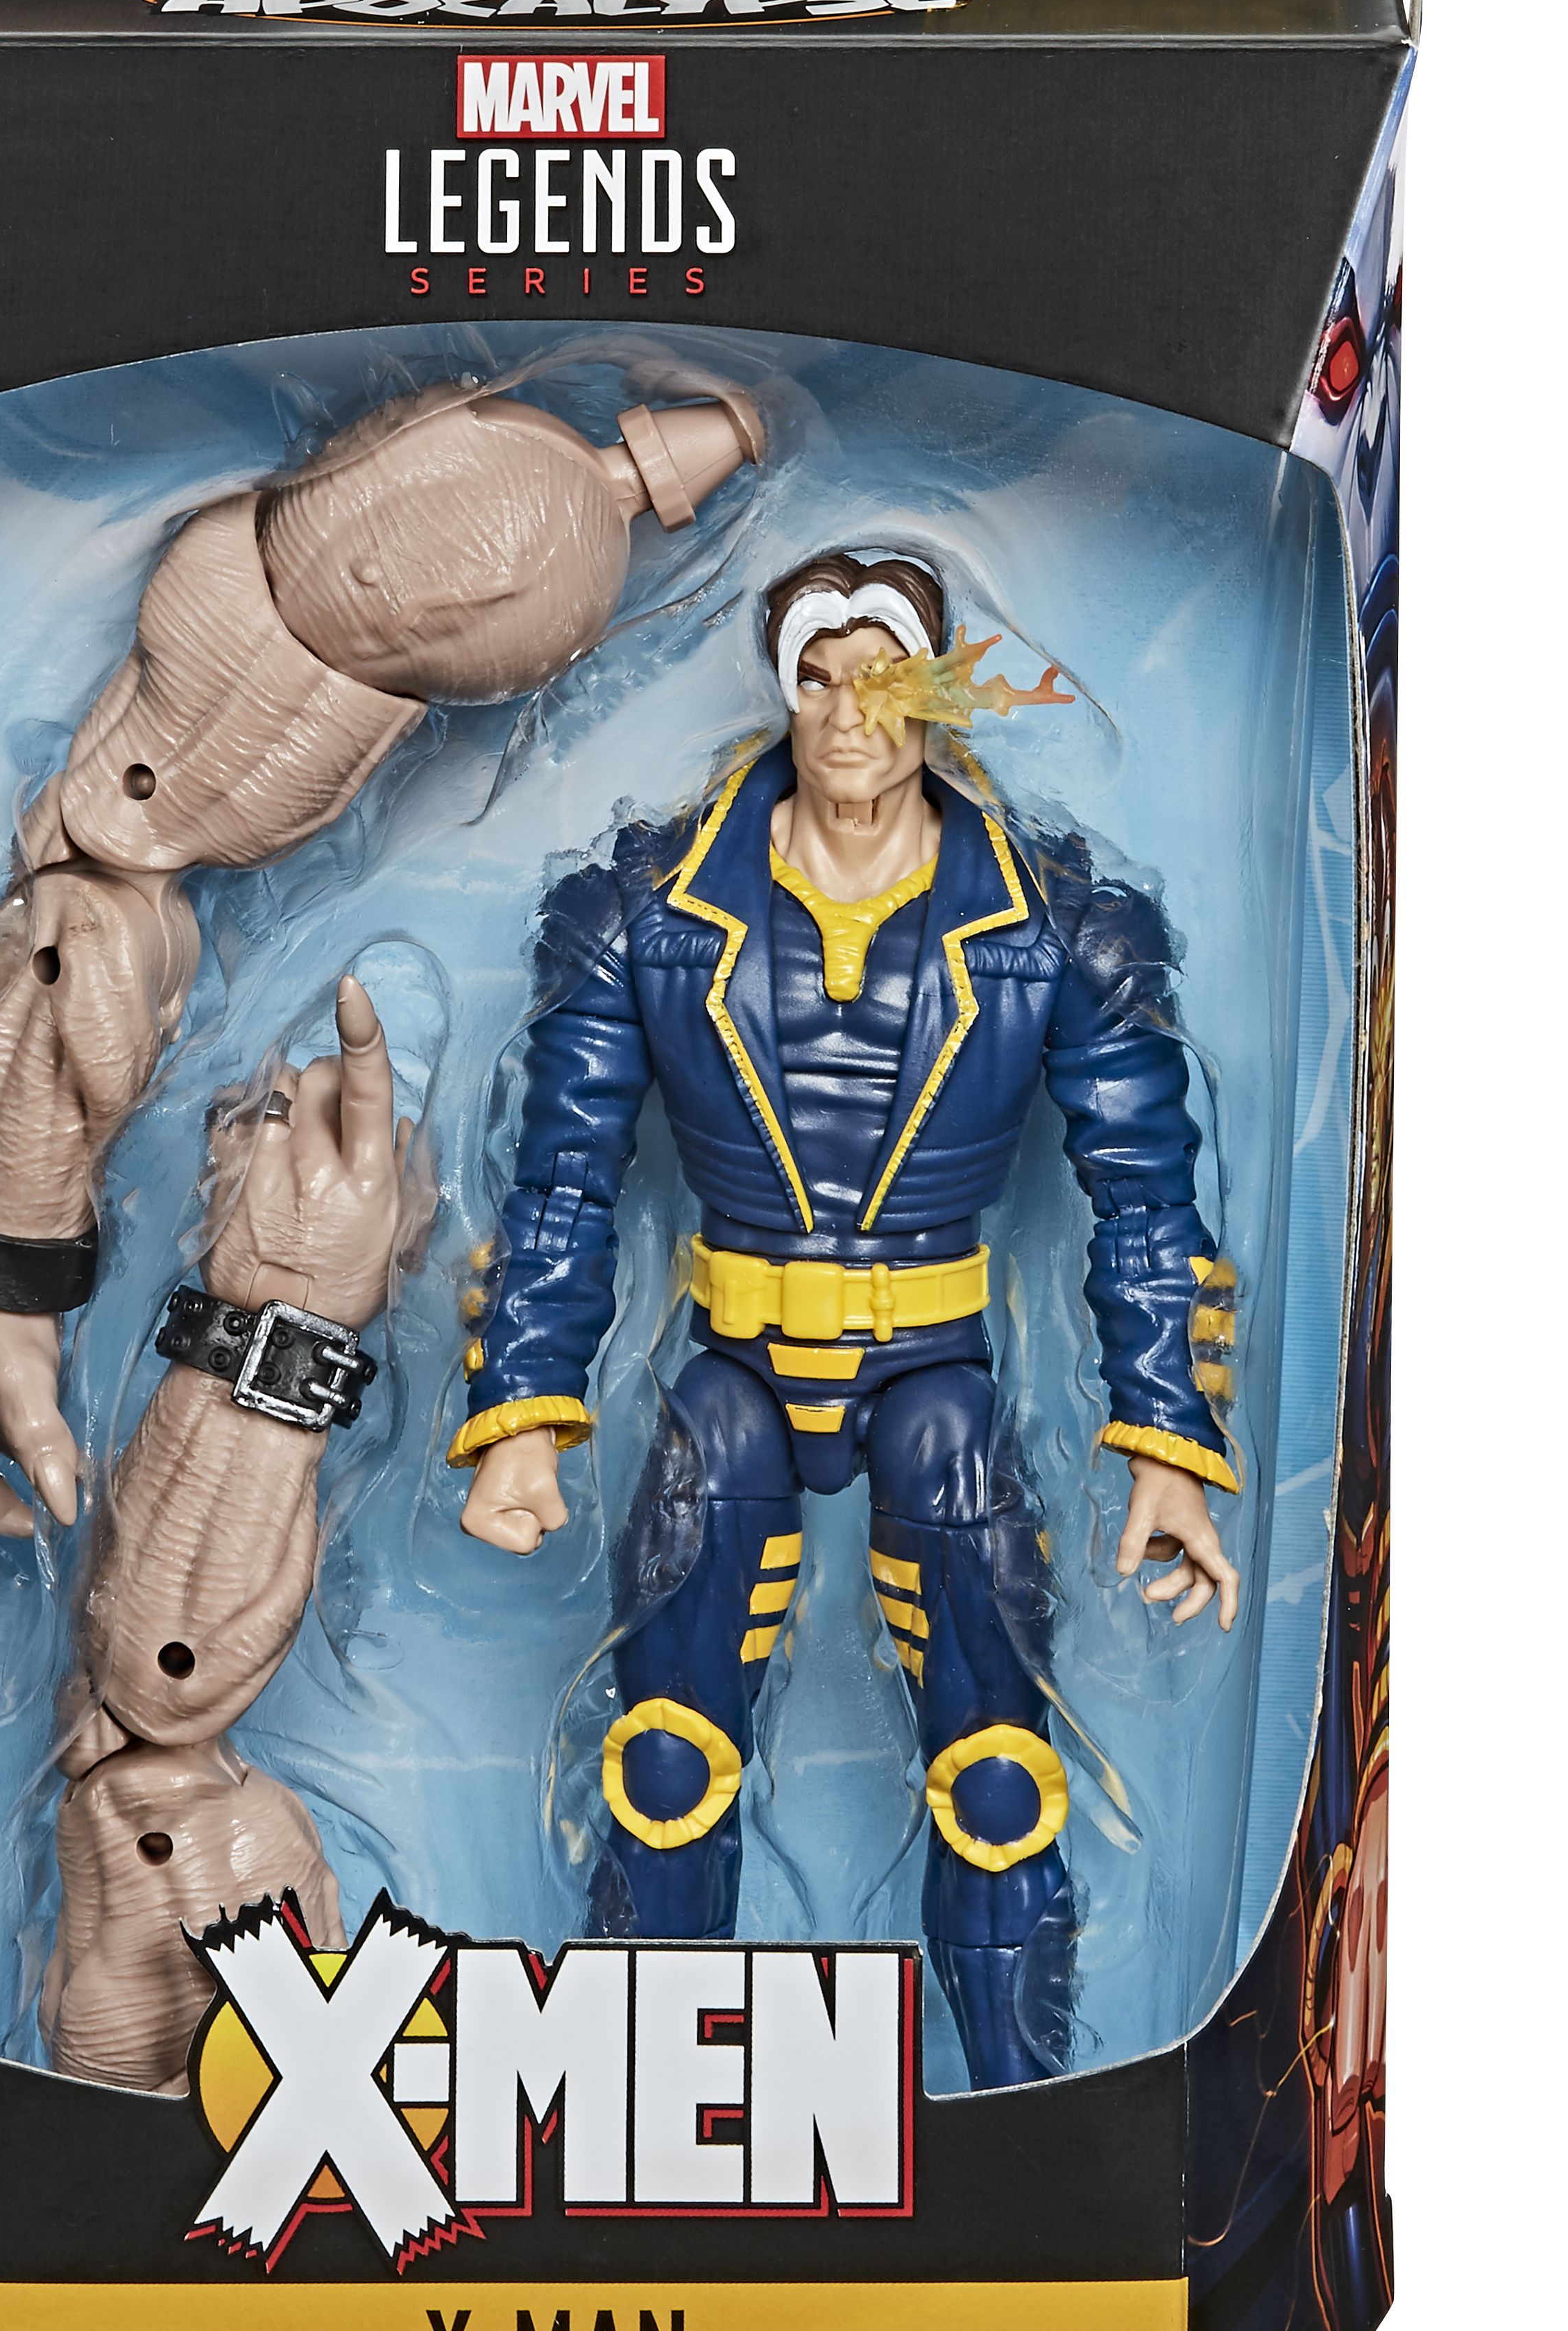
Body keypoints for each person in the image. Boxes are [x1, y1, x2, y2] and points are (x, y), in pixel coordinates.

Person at [453, 551, 1241, 2085]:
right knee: (665, 1768)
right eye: (816, 679)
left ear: (937, 692)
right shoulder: (644, 909)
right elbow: (562, 1176)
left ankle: (1027, 2118)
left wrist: (1167, 1437)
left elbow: (1147, 1193)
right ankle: (642, 2110)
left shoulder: (1057, 922)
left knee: (1000, 1783)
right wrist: (526, 1415)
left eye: (880, 679)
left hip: (934, 1372)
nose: (845, 714)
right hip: (733, 1373)